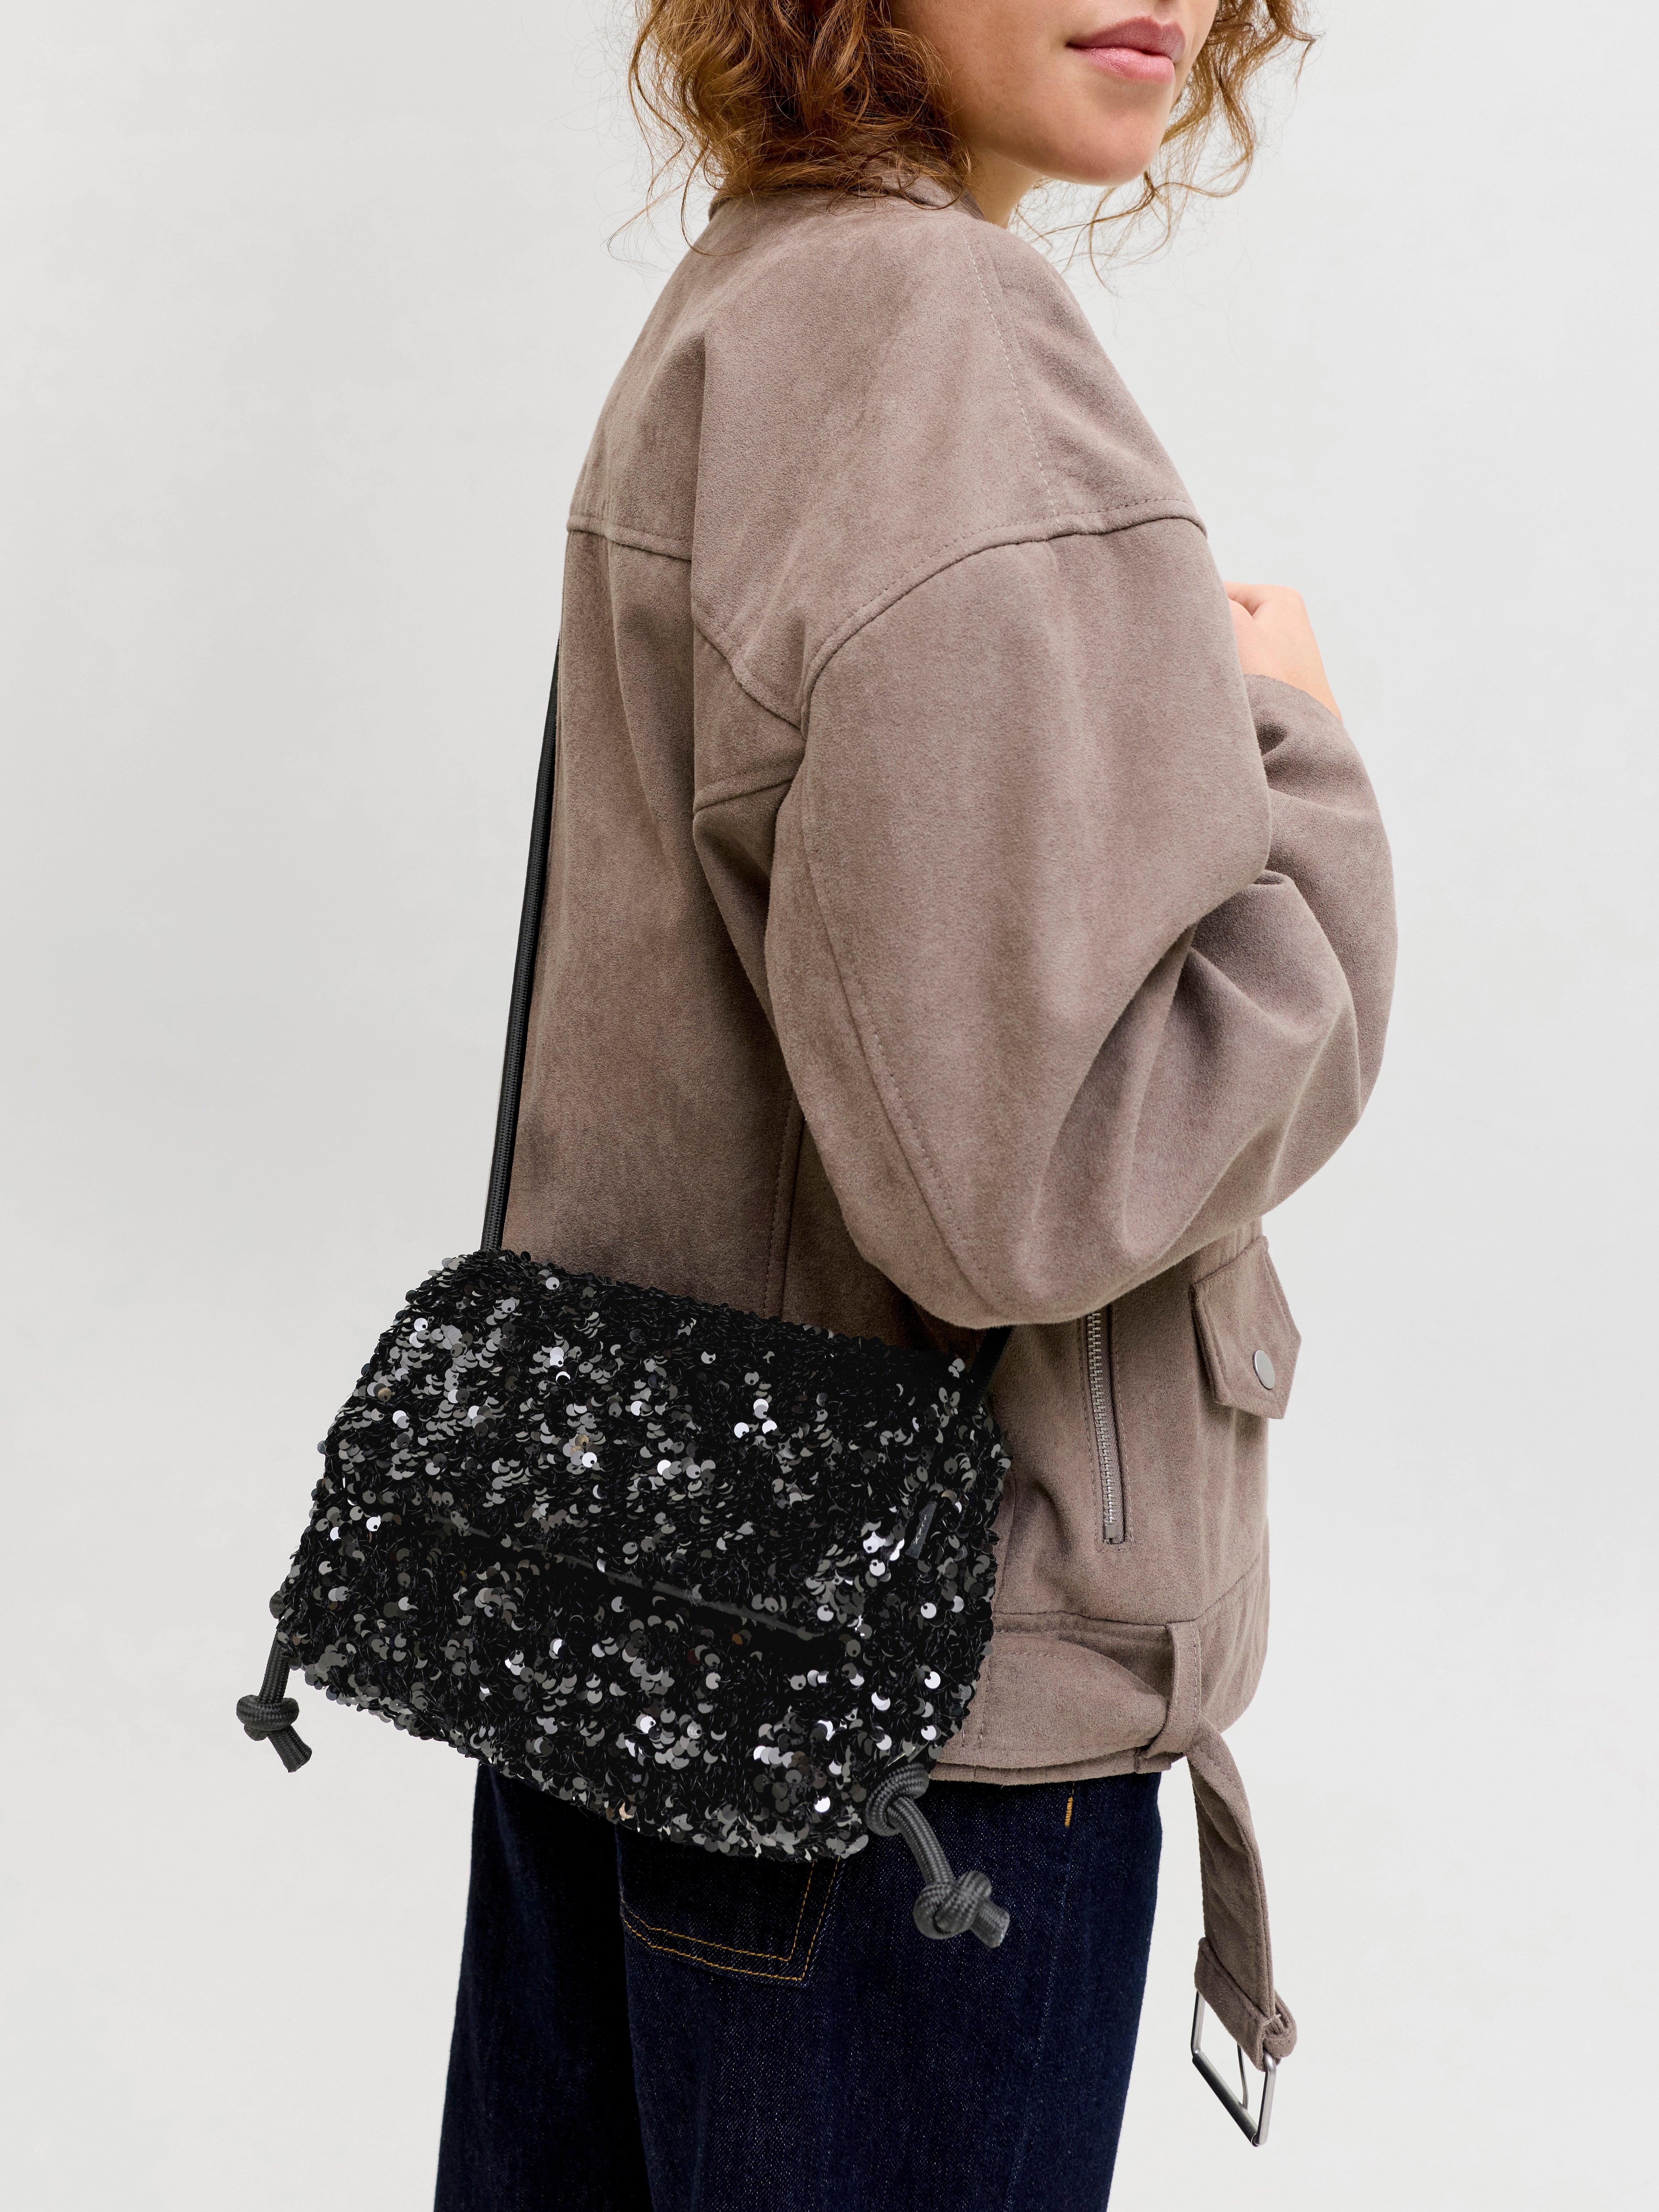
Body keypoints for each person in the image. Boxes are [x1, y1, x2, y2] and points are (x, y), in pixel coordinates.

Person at [434, 4, 1395, 2206]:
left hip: (644, 1653)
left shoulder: (759, 294)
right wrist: (1299, 760)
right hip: (912, 1758)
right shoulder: (939, 337)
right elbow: (1017, 1189)